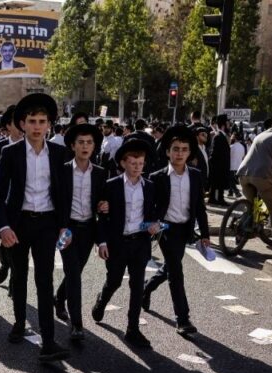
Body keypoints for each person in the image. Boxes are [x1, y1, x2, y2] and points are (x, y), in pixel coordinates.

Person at [0, 93, 71, 362]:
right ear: (23, 124)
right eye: (32, 121)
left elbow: (64, 194)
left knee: (45, 280)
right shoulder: (10, 152)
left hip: (47, 224)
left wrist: (64, 227)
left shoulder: (59, 153)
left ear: (49, 124)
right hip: (19, 223)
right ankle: (18, 322)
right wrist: (3, 226)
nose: (37, 126)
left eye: (42, 121)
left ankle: (48, 341)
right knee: (19, 276)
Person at [91, 139, 163, 349]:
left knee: (137, 286)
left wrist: (155, 224)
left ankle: (132, 328)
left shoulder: (149, 187)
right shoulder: (111, 185)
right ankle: (102, 300)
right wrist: (102, 241)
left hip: (139, 242)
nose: (137, 167)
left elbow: (155, 210)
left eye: (140, 163)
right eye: (132, 163)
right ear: (123, 163)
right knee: (114, 281)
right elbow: (101, 217)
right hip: (117, 242)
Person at [141, 125, 210, 335]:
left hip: (185, 229)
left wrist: (205, 234)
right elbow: (149, 206)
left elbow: (199, 207)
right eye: (176, 149)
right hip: (166, 229)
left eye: (184, 149)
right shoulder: (157, 177)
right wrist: (150, 225)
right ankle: (183, 319)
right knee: (176, 272)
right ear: (168, 152)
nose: (179, 153)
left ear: (189, 153)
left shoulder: (196, 176)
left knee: (172, 267)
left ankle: (147, 288)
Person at [54, 122, 106, 342]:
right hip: (67, 229)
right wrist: (59, 227)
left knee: (76, 271)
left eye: (89, 143)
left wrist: (106, 205)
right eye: (81, 143)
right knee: (74, 274)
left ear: (94, 147)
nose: (85, 147)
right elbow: (55, 201)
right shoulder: (63, 170)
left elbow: (104, 204)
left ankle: (59, 297)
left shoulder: (101, 173)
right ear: (73, 146)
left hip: (88, 230)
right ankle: (77, 324)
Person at [236, 118, 272, 253]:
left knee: (252, 205)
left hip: (243, 174)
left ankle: (241, 230)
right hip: (261, 176)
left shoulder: (260, 134)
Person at [0, 105, 22, 287]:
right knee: (1, 240)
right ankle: (4, 264)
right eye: (17, 122)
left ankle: (15, 283)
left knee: (19, 244)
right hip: (2, 202)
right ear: (8, 126)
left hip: (22, 205)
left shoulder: (31, 147)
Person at [208, 114, 232, 205]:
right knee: (217, 183)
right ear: (223, 125)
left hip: (221, 165)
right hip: (218, 166)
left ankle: (215, 198)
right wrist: (215, 166)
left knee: (219, 183)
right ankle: (217, 199)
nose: (229, 125)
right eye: (227, 123)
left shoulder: (223, 135)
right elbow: (214, 153)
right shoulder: (218, 136)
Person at [229, 130, 246, 198]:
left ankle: (236, 192)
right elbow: (243, 157)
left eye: (232, 135)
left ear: (235, 137)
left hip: (232, 166)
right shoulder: (242, 147)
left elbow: (229, 156)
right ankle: (230, 192)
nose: (231, 137)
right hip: (239, 166)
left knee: (231, 180)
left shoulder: (232, 147)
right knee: (232, 180)